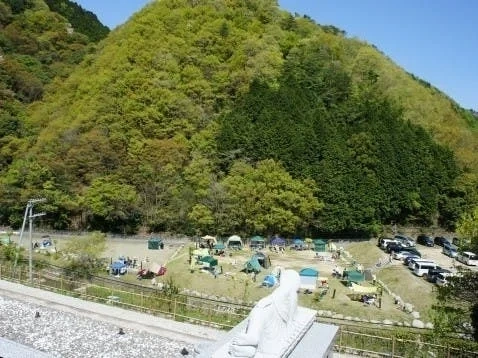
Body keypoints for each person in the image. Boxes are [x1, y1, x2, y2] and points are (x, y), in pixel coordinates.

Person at [228, 270, 300, 357]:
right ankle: (251, 340)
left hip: (267, 310)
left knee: (260, 311)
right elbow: (291, 320)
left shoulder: (268, 303)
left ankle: (251, 339)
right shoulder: (292, 295)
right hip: (272, 317)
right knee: (262, 312)